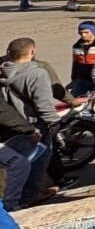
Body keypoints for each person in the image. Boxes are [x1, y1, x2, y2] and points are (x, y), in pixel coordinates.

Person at [0, 38, 60, 202]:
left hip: (12, 126)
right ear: (32, 52)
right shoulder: (37, 73)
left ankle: (17, 193)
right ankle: (30, 195)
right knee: (38, 160)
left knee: (17, 162)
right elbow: (44, 104)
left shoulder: (3, 70)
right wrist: (54, 122)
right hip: (34, 125)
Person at [70, 21, 95, 97]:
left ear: (93, 31)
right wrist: (74, 79)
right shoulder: (77, 46)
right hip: (84, 78)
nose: (83, 35)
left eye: (86, 32)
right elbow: (75, 64)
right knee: (75, 98)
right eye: (80, 33)